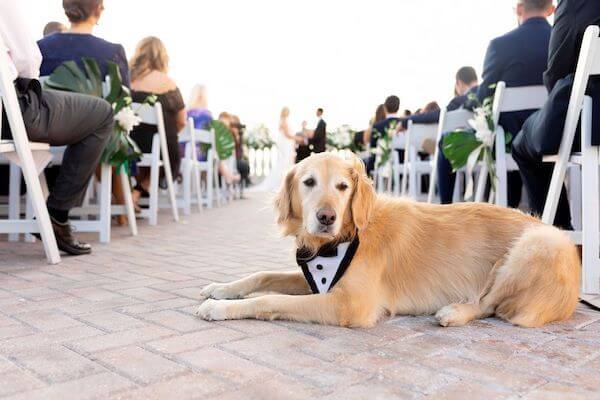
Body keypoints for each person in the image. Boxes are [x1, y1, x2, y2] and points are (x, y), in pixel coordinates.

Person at [0, 0, 113, 255]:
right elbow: (27, 59)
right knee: (102, 114)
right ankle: (56, 215)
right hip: (7, 114)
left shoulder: (50, 43)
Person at [512, 0, 600, 229]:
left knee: (526, 144)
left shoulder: (577, 4)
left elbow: (556, 74)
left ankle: (558, 238)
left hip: (593, 123)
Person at [128, 37, 186, 207]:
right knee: (164, 146)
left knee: (154, 145)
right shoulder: (167, 82)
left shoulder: (127, 79)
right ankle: (139, 190)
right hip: (159, 148)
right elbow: (181, 121)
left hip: (128, 143)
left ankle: (135, 192)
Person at [38, 0, 129, 86]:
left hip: (49, 103)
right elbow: (123, 99)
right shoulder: (113, 54)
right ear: (98, 8)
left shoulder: (40, 48)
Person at [250, 107, 297, 192]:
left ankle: (282, 182)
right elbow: (287, 134)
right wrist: (296, 138)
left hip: (285, 142)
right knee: (284, 162)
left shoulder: (282, 120)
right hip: (286, 143)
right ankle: (280, 183)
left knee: (283, 161)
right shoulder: (284, 121)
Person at [230, 114, 251, 187]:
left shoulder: (240, 134)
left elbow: (240, 150)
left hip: (238, 158)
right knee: (243, 165)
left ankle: (244, 181)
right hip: (231, 159)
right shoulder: (229, 134)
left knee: (245, 165)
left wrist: (237, 136)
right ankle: (243, 180)